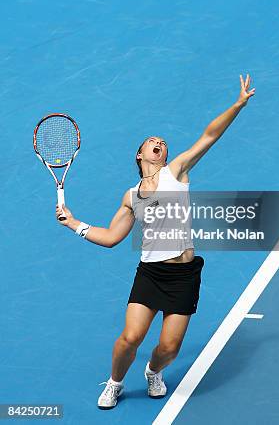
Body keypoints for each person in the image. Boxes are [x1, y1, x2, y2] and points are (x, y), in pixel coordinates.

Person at [56, 74, 255, 409]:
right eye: (152, 141)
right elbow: (111, 238)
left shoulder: (175, 172)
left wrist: (236, 105)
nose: (159, 143)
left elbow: (209, 136)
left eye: (163, 142)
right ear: (140, 154)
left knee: (169, 349)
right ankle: (115, 383)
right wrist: (75, 223)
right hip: (150, 274)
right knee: (130, 338)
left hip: (185, 275)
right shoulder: (131, 196)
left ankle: (152, 371)